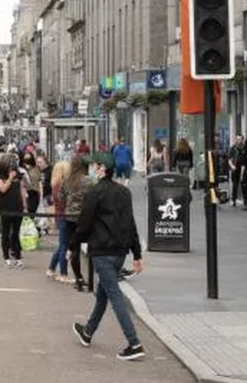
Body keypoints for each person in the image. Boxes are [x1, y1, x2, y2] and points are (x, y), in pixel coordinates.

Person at [70, 152, 145, 361]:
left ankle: (134, 342)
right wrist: (137, 254)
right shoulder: (124, 192)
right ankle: (88, 331)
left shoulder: (95, 193)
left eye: (95, 165)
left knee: (114, 296)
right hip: (120, 252)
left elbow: (84, 224)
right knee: (103, 294)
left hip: (102, 251)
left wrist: (72, 246)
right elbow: (131, 223)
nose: (93, 167)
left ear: (102, 169)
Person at [64, 156, 95, 290]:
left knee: (74, 247)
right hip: (86, 217)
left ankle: (78, 278)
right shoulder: (89, 181)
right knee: (92, 245)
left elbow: (61, 197)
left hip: (70, 217)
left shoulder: (68, 180)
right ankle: (91, 278)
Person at [0, 153, 28, 269]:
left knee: (16, 233)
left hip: (17, 207)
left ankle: (18, 257)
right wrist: (10, 178)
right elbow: (2, 189)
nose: (12, 167)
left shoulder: (18, 174)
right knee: (6, 233)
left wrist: (25, 206)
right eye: (9, 165)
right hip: (5, 208)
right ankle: (6, 259)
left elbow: (22, 189)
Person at [47, 161, 71, 282]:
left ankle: (51, 268)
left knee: (62, 245)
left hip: (60, 215)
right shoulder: (61, 186)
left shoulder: (56, 184)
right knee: (64, 246)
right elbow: (64, 201)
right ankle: (63, 274)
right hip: (64, 216)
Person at [228, 135, 246, 206]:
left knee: (243, 183)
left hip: (243, 167)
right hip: (235, 168)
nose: (238, 141)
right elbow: (229, 158)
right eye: (237, 139)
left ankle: (244, 199)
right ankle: (233, 199)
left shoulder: (244, 148)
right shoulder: (233, 148)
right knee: (235, 184)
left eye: (240, 139)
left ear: (242, 140)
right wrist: (232, 166)